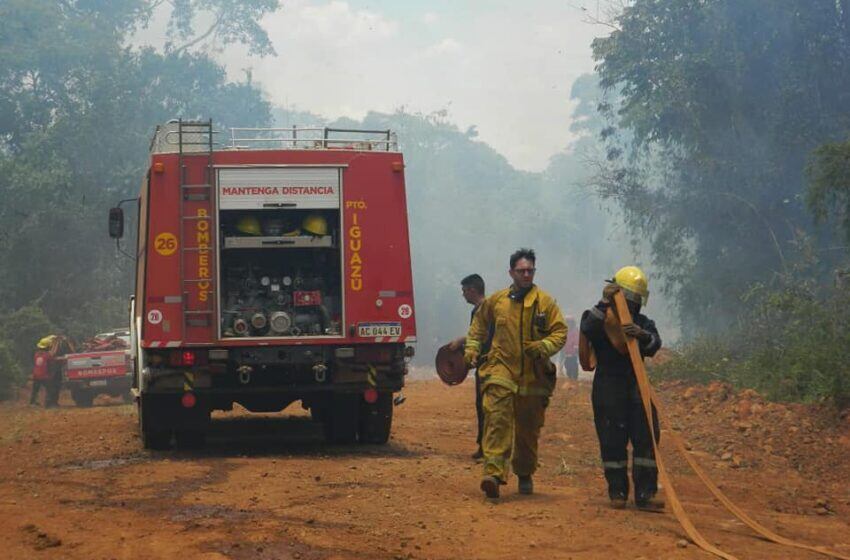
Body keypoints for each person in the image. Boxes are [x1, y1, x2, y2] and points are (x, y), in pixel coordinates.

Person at [465, 249, 567, 499]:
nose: (526, 274)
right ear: (511, 272)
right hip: (501, 369)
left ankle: (524, 473)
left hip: (533, 376)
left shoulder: (546, 303)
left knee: (527, 429)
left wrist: (543, 347)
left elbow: (560, 332)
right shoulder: (497, 301)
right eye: (521, 271)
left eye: (530, 270)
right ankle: (493, 474)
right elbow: (478, 325)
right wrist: (472, 347)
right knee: (496, 419)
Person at [580, 266, 662, 510]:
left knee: (645, 438)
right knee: (611, 440)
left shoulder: (643, 322)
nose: (633, 303)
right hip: (609, 386)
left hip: (637, 386)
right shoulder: (600, 317)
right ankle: (617, 491)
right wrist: (604, 302)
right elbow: (587, 327)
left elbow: (655, 344)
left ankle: (645, 494)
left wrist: (643, 336)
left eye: (637, 298)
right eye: (630, 297)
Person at [449, 274, 492, 460]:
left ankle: (488, 449)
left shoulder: (485, 310)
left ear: (472, 290)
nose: (463, 295)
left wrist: (461, 340)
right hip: (484, 362)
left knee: (487, 406)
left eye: (464, 291)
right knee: (482, 405)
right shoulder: (479, 310)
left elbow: (482, 337)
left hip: (490, 363)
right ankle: (484, 446)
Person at [29, 336, 54, 406]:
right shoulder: (48, 355)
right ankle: (48, 403)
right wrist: (51, 375)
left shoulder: (36, 354)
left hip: (36, 375)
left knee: (35, 390)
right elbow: (50, 366)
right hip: (45, 376)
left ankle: (32, 402)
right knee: (49, 389)